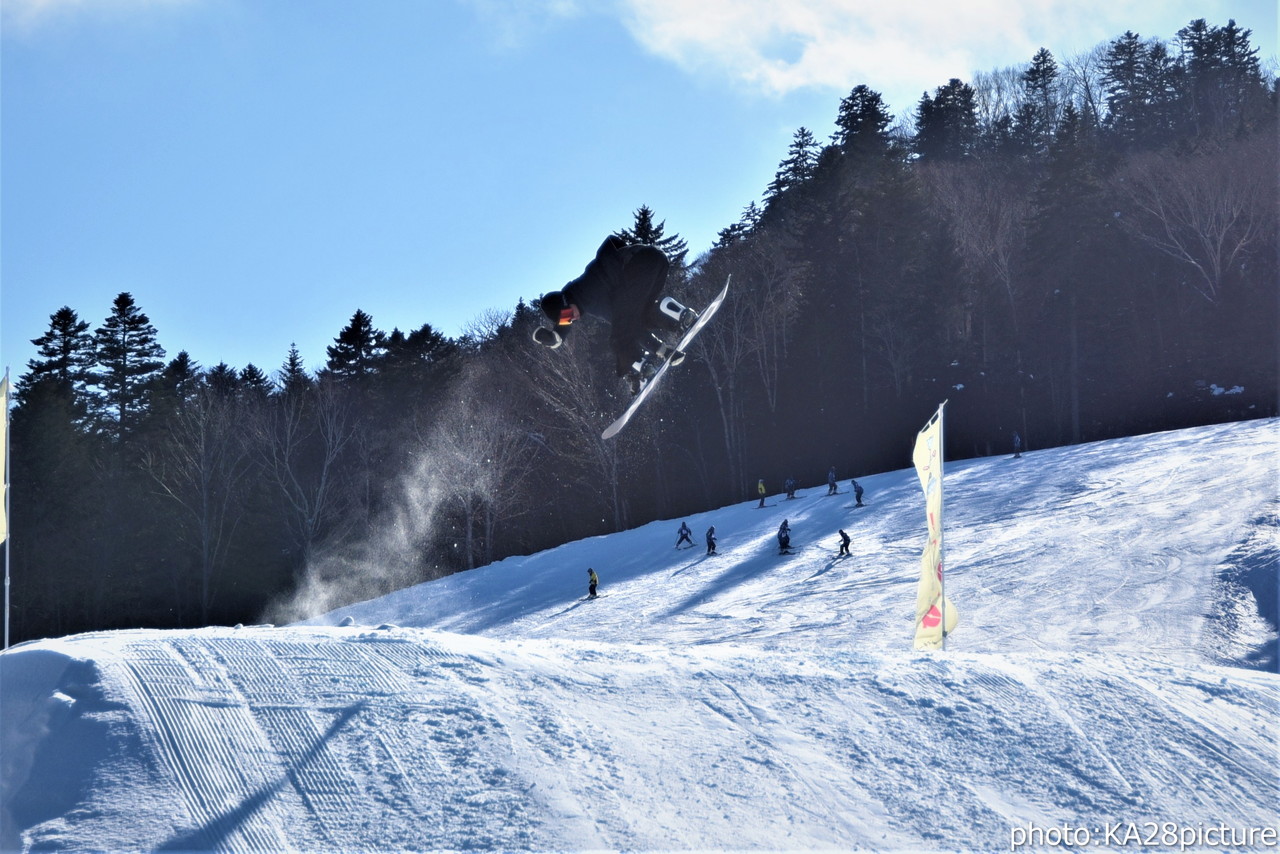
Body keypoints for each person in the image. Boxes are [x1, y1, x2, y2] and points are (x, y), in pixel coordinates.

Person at [533, 234, 698, 393]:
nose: (572, 319)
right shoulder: (581, 298)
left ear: (566, 303)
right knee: (641, 316)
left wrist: (557, 335)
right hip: (655, 261)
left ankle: (637, 370)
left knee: (619, 333)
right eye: (567, 319)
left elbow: (622, 327)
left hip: (638, 263)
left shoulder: (585, 293)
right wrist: (664, 351)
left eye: (568, 315)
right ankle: (679, 316)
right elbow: (632, 324)